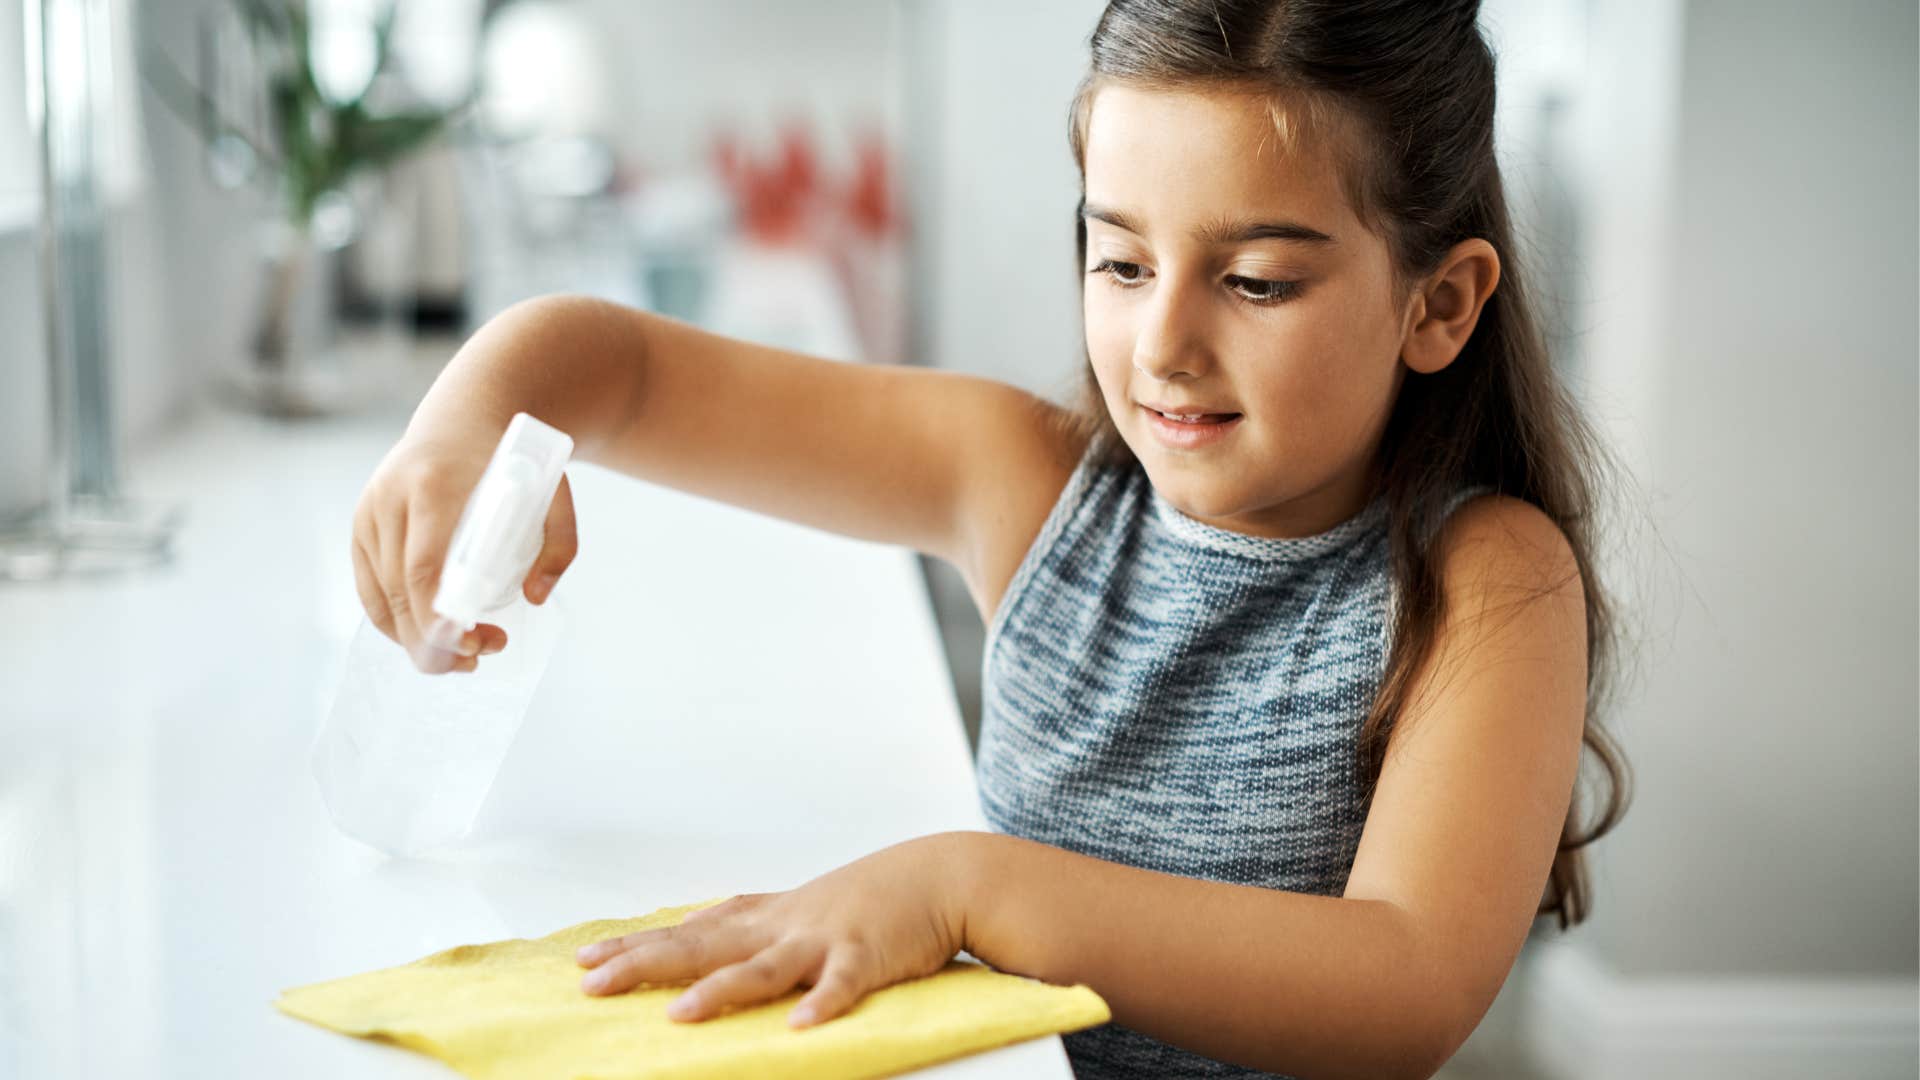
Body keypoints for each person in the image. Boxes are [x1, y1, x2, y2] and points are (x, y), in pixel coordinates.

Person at [349, 1, 1631, 1075]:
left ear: (1441, 303)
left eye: (1254, 282)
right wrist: (467, 426)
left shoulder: (1489, 584)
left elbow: (1401, 989)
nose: (1164, 345)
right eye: (1121, 263)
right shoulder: (1020, 483)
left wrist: (971, 890)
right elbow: (618, 371)